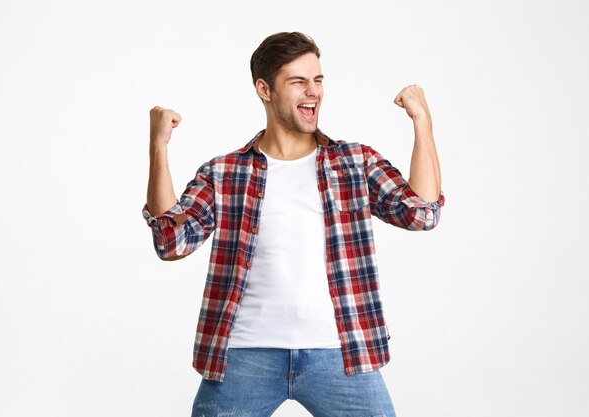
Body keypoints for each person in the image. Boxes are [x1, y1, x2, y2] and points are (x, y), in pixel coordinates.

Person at [142, 31, 445, 417]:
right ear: (264, 89)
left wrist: (423, 121)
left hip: (341, 352)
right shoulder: (225, 172)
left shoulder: (353, 162)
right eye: (298, 81)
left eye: (318, 80)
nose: (313, 91)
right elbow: (172, 242)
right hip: (244, 356)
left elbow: (422, 213)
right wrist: (158, 146)